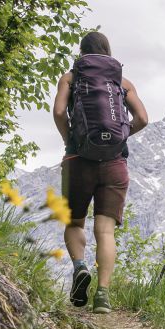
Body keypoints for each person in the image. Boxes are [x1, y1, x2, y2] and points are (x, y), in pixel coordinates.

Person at [52, 32, 149, 314]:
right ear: (108, 52)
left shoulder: (70, 78)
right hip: (114, 162)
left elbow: (59, 112)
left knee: (74, 222)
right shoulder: (122, 82)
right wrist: (121, 135)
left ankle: (81, 266)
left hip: (78, 159)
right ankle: (103, 296)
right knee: (105, 230)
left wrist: (69, 139)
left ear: (81, 53)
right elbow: (143, 118)